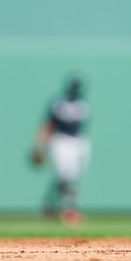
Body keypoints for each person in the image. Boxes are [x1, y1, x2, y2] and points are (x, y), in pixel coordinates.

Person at [31, 75, 91, 226]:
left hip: (79, 141)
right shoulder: (58, 103)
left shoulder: (83, 104)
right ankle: (69, 211)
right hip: (62, 141)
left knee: (72, 178)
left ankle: (53, 204)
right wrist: (40, 146)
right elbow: (48, 126)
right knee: (65, 177)